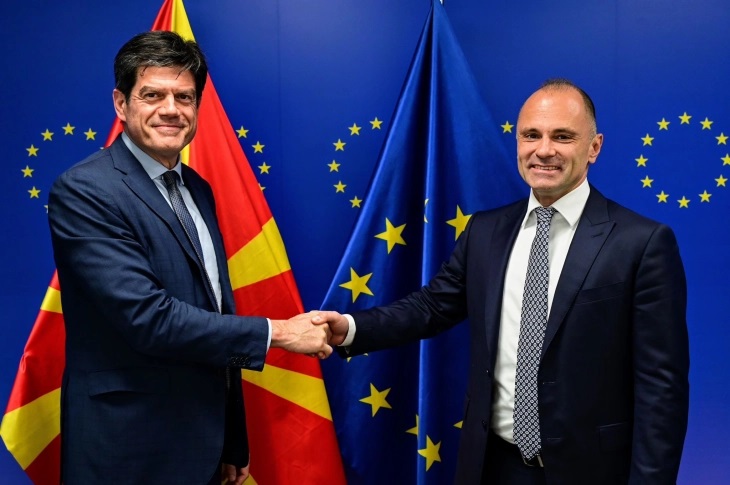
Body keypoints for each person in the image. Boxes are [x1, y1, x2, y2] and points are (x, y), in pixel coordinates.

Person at [315, 79, 689, 484]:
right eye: (531, 135)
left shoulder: (642, 243)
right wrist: (348, 328)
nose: (543, 150)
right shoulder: (485, 231)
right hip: (491, 467)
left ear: (594, 147)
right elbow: (431, 307)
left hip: (592, 472)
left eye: (562, 137)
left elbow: (661, 388)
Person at [48, 31, 332, 485]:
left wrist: (230, 439)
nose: (171, 109)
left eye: (184, 97)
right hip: (127, 449)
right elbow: (147, 318)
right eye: (152, 95)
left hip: (203, 443)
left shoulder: (197, 189)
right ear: (121, 104)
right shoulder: (85, 190)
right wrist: (279, 332)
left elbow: (215, 310)